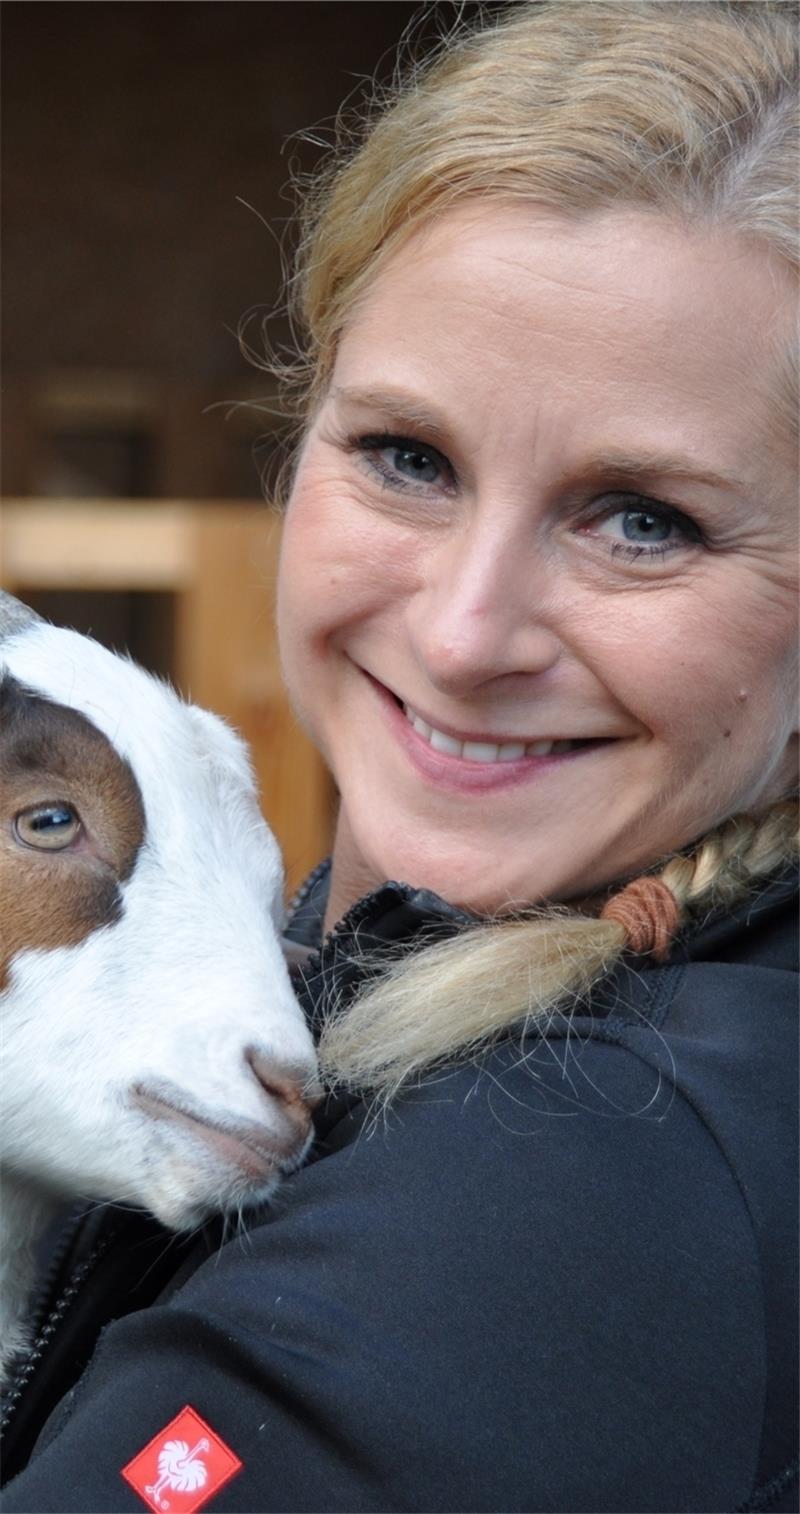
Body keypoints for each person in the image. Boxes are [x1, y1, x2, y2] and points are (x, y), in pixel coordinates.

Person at [1, 2, 797, 1510]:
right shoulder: (321, 968)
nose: (462, 629)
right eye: (409, 457)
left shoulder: (592, 1171)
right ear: (298, 443)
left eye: (644, 518)